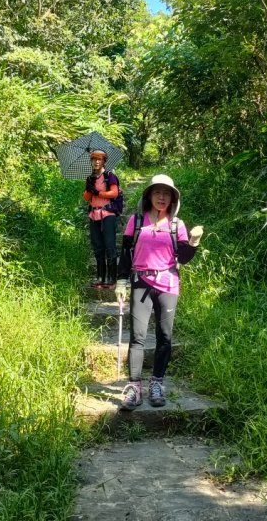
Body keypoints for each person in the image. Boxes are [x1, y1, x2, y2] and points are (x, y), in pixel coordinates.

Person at [114, 174, 203, 409]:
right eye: (157, 192)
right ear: (149, 196)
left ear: (172, 198)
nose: (162, 197)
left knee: (165, 336)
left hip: (168, 284)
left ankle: (157, 383)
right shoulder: (136, 220)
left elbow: (183, 257)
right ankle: (134, 387)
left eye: (166, 193)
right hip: (141, 282)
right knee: (138, 337)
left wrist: (193, 242)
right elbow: (125, 253)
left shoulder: (177, 224)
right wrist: (121, 281)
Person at [83, 150, 120, 286]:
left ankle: (111, 278)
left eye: (100, 159)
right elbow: (87, 197)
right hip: (94, 215)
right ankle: (100, 277)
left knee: (109, 246)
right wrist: (89, 188)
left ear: (104, 161)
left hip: (107, 215)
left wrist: (98, 192)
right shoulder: (90, 178)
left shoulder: (109, 176)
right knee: (98, 247)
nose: (97, 162)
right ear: (91, 161)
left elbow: (114, 193)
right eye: (94, 159)